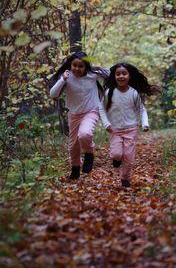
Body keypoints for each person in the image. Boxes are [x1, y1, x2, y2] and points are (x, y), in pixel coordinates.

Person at [49, 51, 109, 179]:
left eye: (81, 66)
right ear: (70, 65)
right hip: (74, 114)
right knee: (73, 145)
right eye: (74, 65)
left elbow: (111, 73)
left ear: (86, 67)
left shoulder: (93, 75)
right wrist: (62, 80)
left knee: (85, 134)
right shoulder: (67, 77)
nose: (77, 68)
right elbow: (53, 94)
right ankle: (75, 169)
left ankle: (89, 153)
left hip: (91, 111)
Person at [99, 62, 159, 188]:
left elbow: (142, 110)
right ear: (114, 76)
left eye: (124, 74)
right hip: (115, 129)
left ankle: (125, 178)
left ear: (129, 76)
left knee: (129, 158)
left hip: (131, 129)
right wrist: (106, 123)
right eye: (118, 74)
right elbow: (101, 109)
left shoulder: (133, 93)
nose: (121, 76)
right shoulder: (109, 92)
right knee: (117, 154)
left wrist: (145, 123)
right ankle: (116, 159)